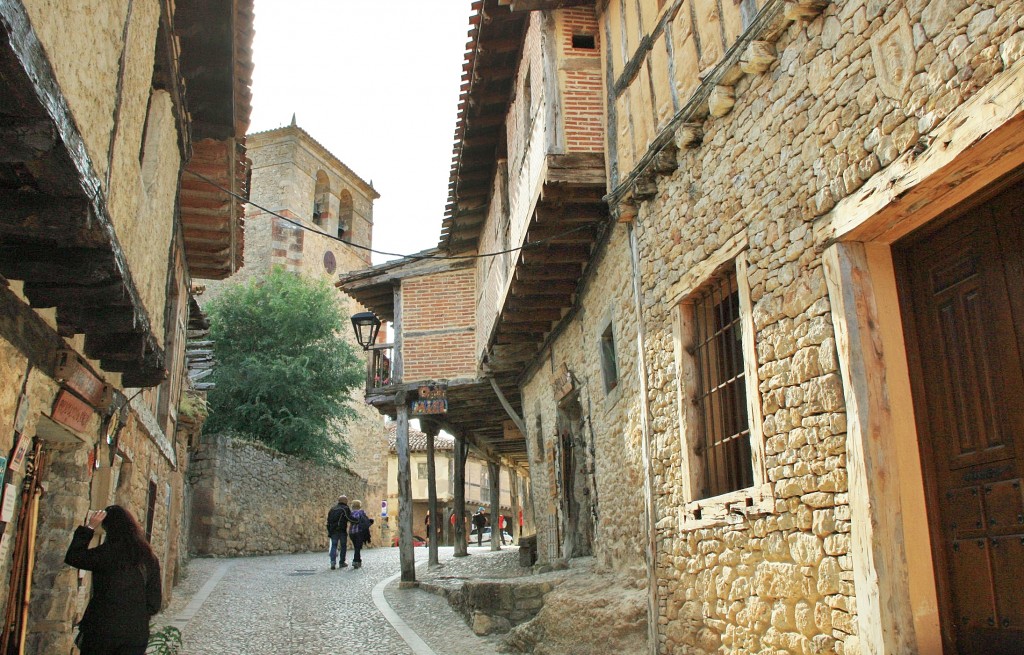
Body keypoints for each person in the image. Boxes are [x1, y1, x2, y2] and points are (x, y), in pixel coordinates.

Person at [64, 505, 162, 655]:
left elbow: (74, 557)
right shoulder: (148, 557)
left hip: (101, 629)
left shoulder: (106, 553)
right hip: (134, 633)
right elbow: (154, 602)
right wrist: (136, 614)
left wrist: (90, 527)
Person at [326, 495, 355, 570]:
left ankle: (332, 562)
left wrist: (329, 530)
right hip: (341, 530)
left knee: (334, 546)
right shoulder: (345, 508)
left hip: (333, 530)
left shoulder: (332, 509)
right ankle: (342, 562)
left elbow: (328, 520)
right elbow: (349, 518)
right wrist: (357, 521)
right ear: (345, 501)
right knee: (343, 546)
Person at [348, 500, 373, 569]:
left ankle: (358, 560)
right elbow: (365, 522)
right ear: (360, 506)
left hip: (351, 532)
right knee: (357, 547)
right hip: (359, 532)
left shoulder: (350, 513)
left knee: (356, 547)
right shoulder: (361, 513)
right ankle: (355, 561)